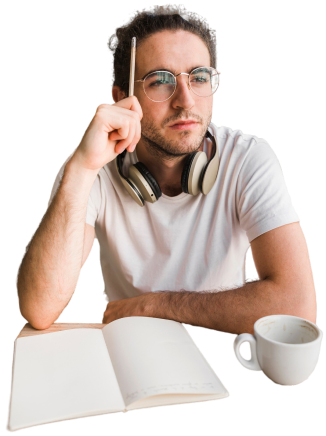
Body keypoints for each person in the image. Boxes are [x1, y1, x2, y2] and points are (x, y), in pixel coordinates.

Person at [15, 5, 316, 333]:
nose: (185, 100)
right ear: (121, 98)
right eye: (160, 81)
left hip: (219, 350)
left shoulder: (249, 157)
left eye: (199, 77)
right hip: (133, 350)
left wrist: (151, 305)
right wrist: (82, 167)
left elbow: (297, 307)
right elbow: (39, 309)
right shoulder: (92, 166)